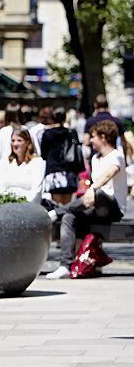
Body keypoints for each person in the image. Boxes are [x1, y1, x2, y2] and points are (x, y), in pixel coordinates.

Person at [46, 120, 127, 279]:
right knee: (69, 218)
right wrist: (91, 193)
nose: (90, 141)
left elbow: (109, 174)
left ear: (103, 137)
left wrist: (93, 190)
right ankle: (65, 265)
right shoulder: (95, 158)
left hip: (113, 208)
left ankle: (55, 212)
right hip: (95, 206)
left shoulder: (117, 155)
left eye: (93, 137)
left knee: (100, 194)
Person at [40, 107, 79, 204]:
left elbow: (43, 154)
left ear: (52, 118)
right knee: (67, 206)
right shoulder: (71, 133)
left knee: (57, 205)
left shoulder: (47, 134)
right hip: (69, 171)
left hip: (53, 172)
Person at [0, 128, 46, 203]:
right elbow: (0, 185)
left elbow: (36, 190)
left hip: (28, 207)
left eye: (19, 140)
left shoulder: (37, 162)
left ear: (27, 142)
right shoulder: (5, 161)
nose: (15, 144)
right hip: (7, 204)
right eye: (13, 141)